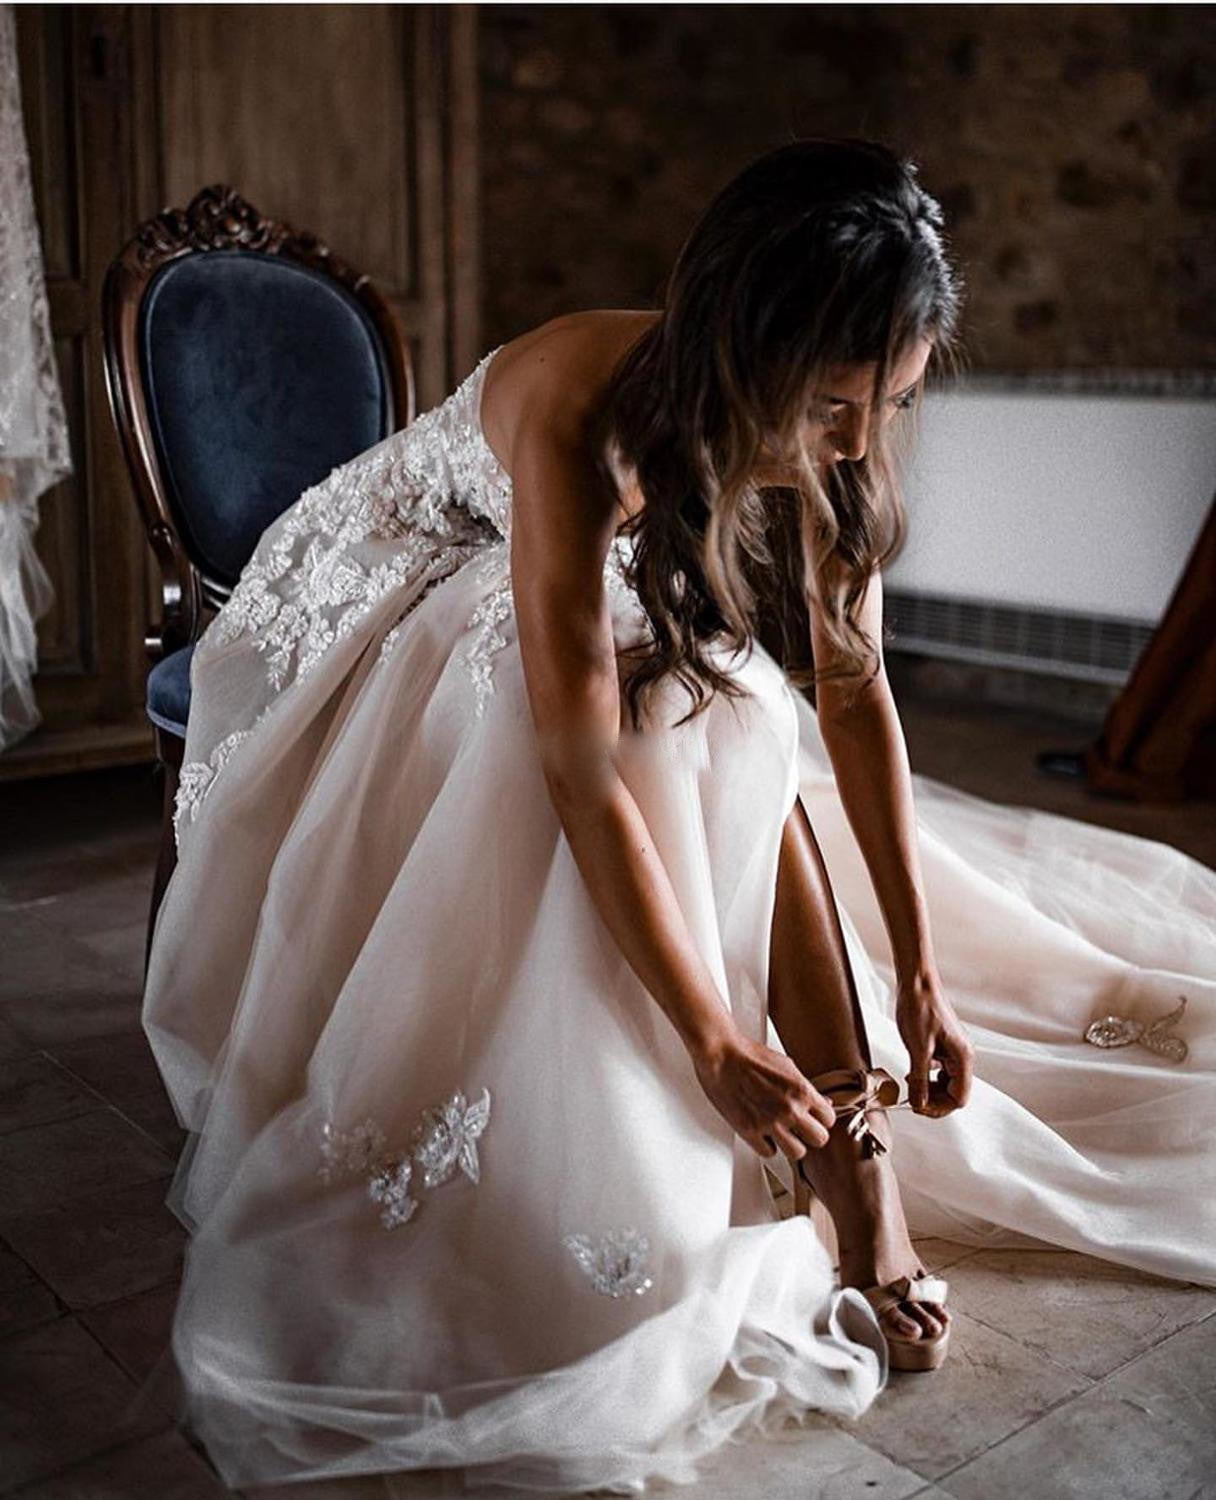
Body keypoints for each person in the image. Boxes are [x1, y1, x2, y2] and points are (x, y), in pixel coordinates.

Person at [140, 137, 1216, 1496]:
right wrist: (709, 1037)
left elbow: (857, 707)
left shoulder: (839, 435)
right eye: (833, 407)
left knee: (738, 705)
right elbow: (576, 766)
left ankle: (854, 1155)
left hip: (569, 597)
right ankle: (790, 1118)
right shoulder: (581, 412)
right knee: (675, 705)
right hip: (388, 583)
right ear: (747, 350)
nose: (856, 444)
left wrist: (925, 974)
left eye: (889, 404)